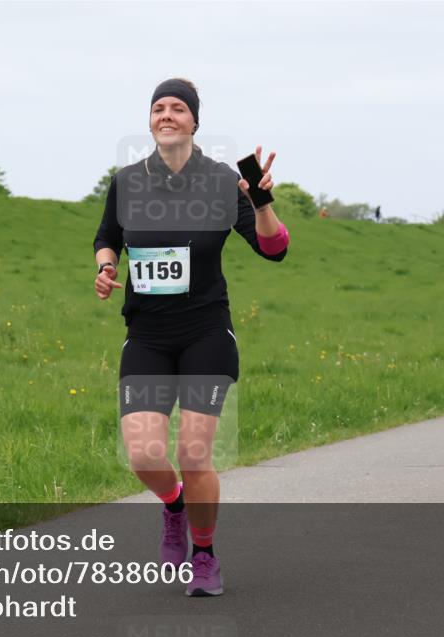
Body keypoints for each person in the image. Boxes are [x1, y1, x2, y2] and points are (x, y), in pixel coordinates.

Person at [93, 78, 289, 597]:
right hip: (147, 336)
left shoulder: (224, 182)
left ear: (195, 121)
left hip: (206, 333)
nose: (167, 114)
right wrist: (106, 267)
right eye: (158, 107)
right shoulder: (127, 182)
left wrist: (262, 202)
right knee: (143, 454)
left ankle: (204, 555)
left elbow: (274, 249)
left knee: (195, 453)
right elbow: (107, 237)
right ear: (149, 121)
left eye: (178, 107)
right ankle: (174, 505)